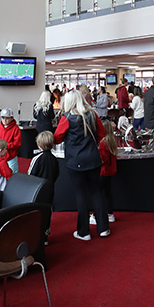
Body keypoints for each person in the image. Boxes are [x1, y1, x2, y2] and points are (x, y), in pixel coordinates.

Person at [54, 90, 108, 241]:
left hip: (75, 161)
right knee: (96, 192)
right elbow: (102, 134)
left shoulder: (66, 118)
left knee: (81, 194)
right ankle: (103, 227)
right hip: (93, 159)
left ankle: (84, 232)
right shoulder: (92, 114)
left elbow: (57, 138)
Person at [91, 120, 118, 226]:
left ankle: (96, 215)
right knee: (107, 193)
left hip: (102, 172)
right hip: (109, 172)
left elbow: (102, 160)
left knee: (98, 194)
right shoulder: (111, 141)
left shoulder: (103, 144)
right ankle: (110, 213)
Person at [0, 108, 21, 175]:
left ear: (12, 118)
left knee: (13, 174)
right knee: (0, 174)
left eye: (7, 118)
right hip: (0, 157)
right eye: (3, 118)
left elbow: (17, 143)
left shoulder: (16, 129)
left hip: (11, 156)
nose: (4, 120)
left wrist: (5, 145)